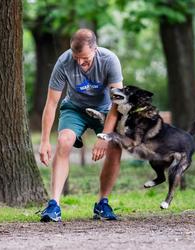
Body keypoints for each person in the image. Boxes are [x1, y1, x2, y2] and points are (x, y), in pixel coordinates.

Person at [39, 28, 123, 222]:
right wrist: (44, 141)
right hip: (75, 109)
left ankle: (102, 203)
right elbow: (51, 103)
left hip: (105, 110)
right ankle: (54, 205)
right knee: (64, 140)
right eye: (76, 57)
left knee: (115, 146)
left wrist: (104, 137)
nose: (80, 62)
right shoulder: (64, 62)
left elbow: (118, 103)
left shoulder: (109, 60)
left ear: (95, 49)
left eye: (84, 58)